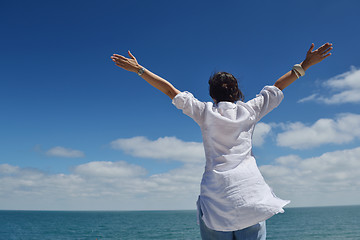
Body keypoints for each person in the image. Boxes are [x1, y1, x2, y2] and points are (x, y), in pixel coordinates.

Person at [111, 43, 333, 240]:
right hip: (249, 195)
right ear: (237, 93)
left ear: (212, 95)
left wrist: (139, 69)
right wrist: (305, 64)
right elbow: (278, 87)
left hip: (215, 199)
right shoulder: (250, 109)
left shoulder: (205, 111)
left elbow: (170, 90)